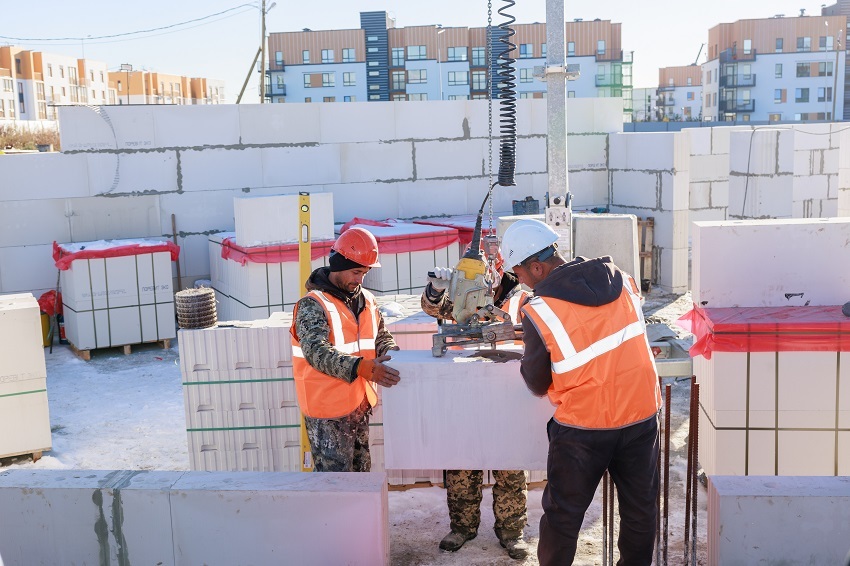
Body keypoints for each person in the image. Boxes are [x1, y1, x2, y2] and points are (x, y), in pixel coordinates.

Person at [501, 218, 662, 566]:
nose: (521, 282)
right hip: (641, 416)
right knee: (640, 511)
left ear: (537, 266)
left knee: (563, 518)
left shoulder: (540, 311)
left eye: (521, 274)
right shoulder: (622, 280)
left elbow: (537, 383)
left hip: (584, 428)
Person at [420, 243, 531, 560]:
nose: (483, 279)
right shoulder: (462, 296)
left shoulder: (521, 297)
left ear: (500, 269)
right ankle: (462, 528)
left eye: (488, 272)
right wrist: (435, 289)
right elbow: (433, 308)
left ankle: (511, 533)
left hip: (507, 396)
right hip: (463, 397)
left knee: (509, 468)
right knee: (460, 467)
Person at [290, 227, 401, 472]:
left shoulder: (367, 300)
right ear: (338, 265)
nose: (360, 279)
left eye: (364, 273)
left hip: (359, 403)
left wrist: (396, 354)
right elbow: (316, 352)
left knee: (361, 478)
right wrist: (362, 367)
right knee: (336, 487)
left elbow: (380, 336)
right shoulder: (312, 304)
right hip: (328, 411)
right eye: (355, 272)